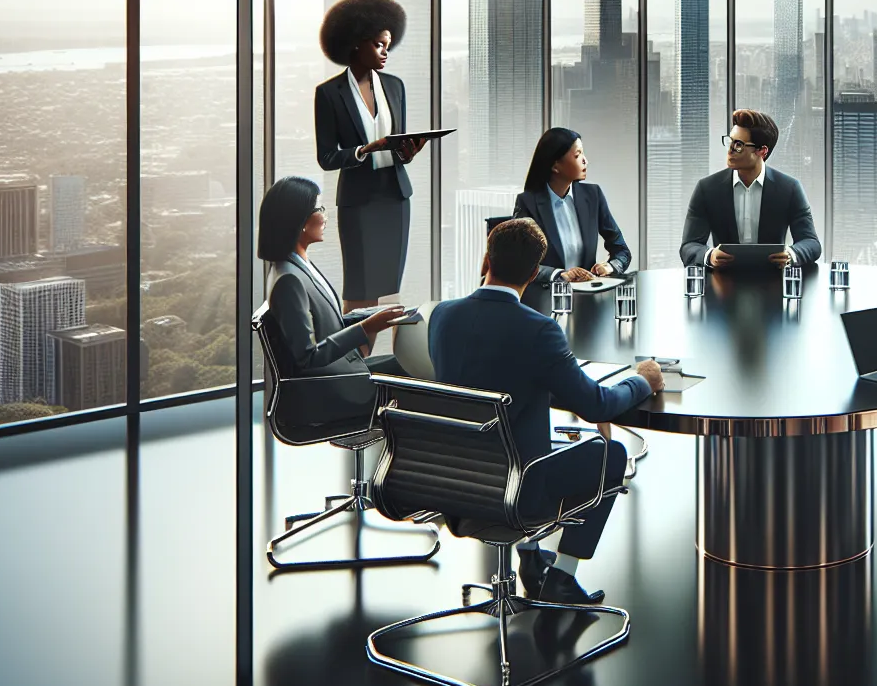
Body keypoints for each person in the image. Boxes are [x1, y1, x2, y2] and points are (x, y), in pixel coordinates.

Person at [428, 218, 665, 606]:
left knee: (533, 433)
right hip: (518, 490)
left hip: (453, 482)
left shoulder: (442, 316)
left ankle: (531, 558)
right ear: (535, 272)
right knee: (610, 453)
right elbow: (595, 405)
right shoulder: (538, 330)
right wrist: (643, 381)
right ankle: (562, 576)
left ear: (485, 260)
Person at [257, 176, 412, 431]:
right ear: (299, 220)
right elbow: (307, 357)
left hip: (340, 373)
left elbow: (325, 320)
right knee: (419, 374)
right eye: (319, 209)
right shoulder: (288, 280)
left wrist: (374, 316)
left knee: (407, 363)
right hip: (333, 388)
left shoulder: (296, 264)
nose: (325, 215)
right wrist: (366, 327)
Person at [314, 0, 430, 313]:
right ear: (357, 43)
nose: (385, 53)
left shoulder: (395, 86)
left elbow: (398, 144)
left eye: (388, 46)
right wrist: (364, 151)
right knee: (360, 286)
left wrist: (408, 151)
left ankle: (389, 361)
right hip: (359, 201)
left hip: (395, 196)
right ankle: (355, 356)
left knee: (390, 289)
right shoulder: (328, 94)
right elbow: (326, 157)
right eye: (379, 45)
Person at [680, 108, 823, 270]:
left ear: (762, 151)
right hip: (722, 284)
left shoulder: (789, 189)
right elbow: (688, 246)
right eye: (730, 141)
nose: (730, 150)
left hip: (773, 283)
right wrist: (709, 255)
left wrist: (791, 254)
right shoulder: (707, 189)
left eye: (739, 145)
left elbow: (811, 243)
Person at [511, 127, 632, 285]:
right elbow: (519, 263)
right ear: (555, 166)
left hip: (587, 296)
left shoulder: (593, 195)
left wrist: (610, 267)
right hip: (546, 299)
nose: (585, 161)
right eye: (577, 155)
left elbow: (621, 250)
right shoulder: (528, 203)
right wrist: (559, 275)